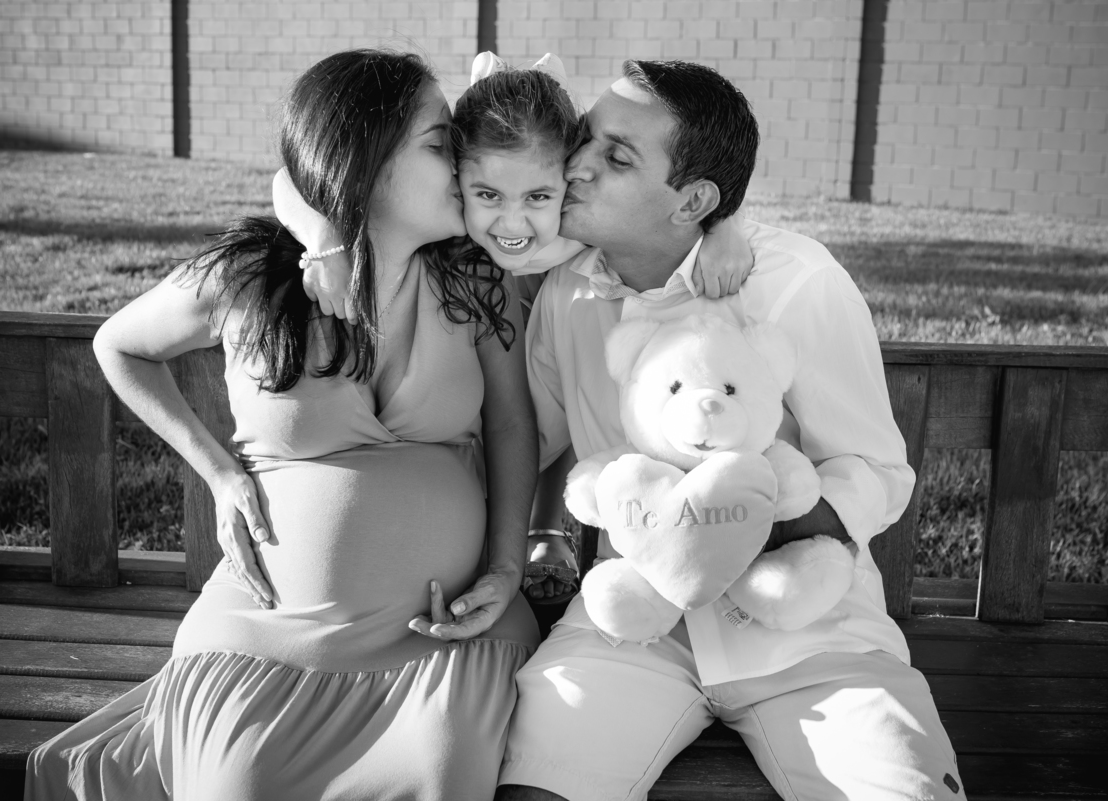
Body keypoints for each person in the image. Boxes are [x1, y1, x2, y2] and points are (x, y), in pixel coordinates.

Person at [25, 49, 540, 801]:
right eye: (439, 144)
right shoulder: (250, 277)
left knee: (441, 771)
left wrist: (506, 567)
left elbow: (512, 425)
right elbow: (120, 346)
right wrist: (217, 472)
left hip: (444, 640)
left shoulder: (474, 276)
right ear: (366, 161)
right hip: (269, 634)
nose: (461, 165)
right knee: (235, 784)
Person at [495, 60, 966, 801]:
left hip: (811, 630)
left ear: (694, 201)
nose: (577, 166)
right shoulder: (568, 291)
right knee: (532, 789)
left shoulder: (795, 282)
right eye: (586, 139)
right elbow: (535, 439)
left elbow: (878, 471)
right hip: (634, 622)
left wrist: (730, 523)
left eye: (618, 157)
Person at [275, 52, 754, 610]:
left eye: (538, 197)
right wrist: (321, 235)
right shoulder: (459, 209)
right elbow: (290, 177)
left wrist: (724, 227)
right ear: (458, 173)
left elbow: (677, 202)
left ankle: (544, 528)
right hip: (479, 310)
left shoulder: (577, 226)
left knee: (550, 401)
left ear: (565, 176)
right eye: (487, 195)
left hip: (539, 306)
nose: (512, 219)